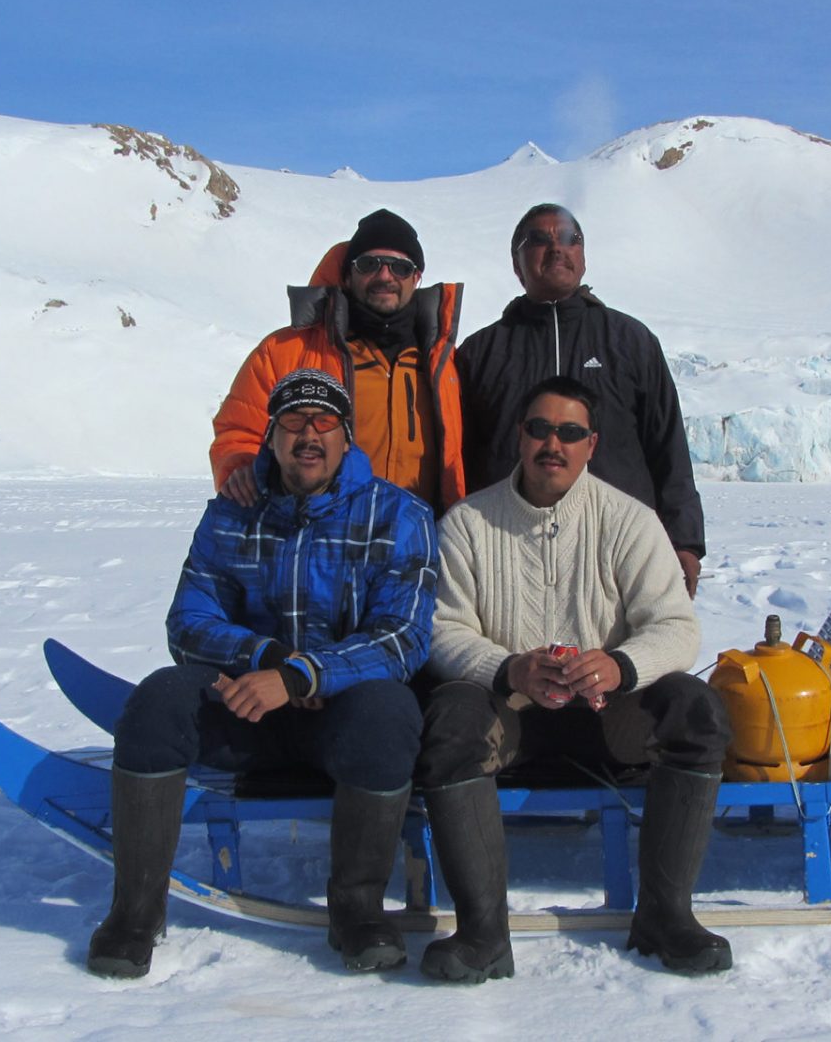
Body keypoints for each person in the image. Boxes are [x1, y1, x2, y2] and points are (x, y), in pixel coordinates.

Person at [88, 369, 439, 979]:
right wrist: (265, 659)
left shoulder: (398, 514)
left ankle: (355, 911)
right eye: (294, 422)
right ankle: (134, 915)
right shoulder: (231, 512)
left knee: (390, 713)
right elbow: (189, 620)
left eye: (324, 421)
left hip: (343, 717)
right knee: (158, 702)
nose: (310, 434)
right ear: (271, 436)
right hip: (249, 707)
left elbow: (402, 636)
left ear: (346, 436)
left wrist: (307, 675)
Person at [414, 376, 733, 983]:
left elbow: (675, 626)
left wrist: (620, 665)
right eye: (539, 429)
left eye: (569, 433)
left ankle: (666, 916)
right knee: (451, 716)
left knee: (697, 710)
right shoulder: (468, 524)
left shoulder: (628, 521)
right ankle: (482, 933)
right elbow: (441, 630)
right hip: (505, 716)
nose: (552, 445)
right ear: (519, 437)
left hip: (605, 715)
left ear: (591, 444)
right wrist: (510, 668)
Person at [456, 203, 706, 594]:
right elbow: (459, 460)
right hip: (507, 553)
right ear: (517, 264)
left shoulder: (630, 340)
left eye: (570, 238)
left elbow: (667, 447)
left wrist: (685, 541)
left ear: (583, 257)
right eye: (538, 239)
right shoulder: (482, 352)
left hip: (619, 550)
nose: (557, 247)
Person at [212, 208, 467, 514]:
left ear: (416, 278)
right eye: (368, 264)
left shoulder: (444, 364)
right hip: (323, 540)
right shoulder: (285, 351)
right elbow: (239, 430)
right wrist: (240, 467)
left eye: (400, 267)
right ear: (348, 275)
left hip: (421, 540)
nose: (385, 276)